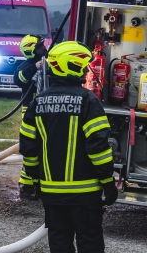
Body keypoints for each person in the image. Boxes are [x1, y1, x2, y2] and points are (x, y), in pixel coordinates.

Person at [19, 41, 117, 253]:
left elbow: (28, 148)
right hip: (85, 195)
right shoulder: (89, 101)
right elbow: (98, 148)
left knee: (59, 244)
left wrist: (33, 180)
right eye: (82, 66)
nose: (85, 71)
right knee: (89, 243)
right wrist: (108, 182)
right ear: (71, 66)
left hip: (52, 194)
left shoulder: (38, 102)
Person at [14, 34, 48, 200]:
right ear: (32, 50)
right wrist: (35, 66)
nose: (44, 47)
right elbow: (19, 79)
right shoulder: (25, 67)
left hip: (45, 111)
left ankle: (37, 183)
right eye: (40, 46)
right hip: (29, 112)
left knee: (44, 149)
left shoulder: (47, 65)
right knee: (31, 149)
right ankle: (27, 185)